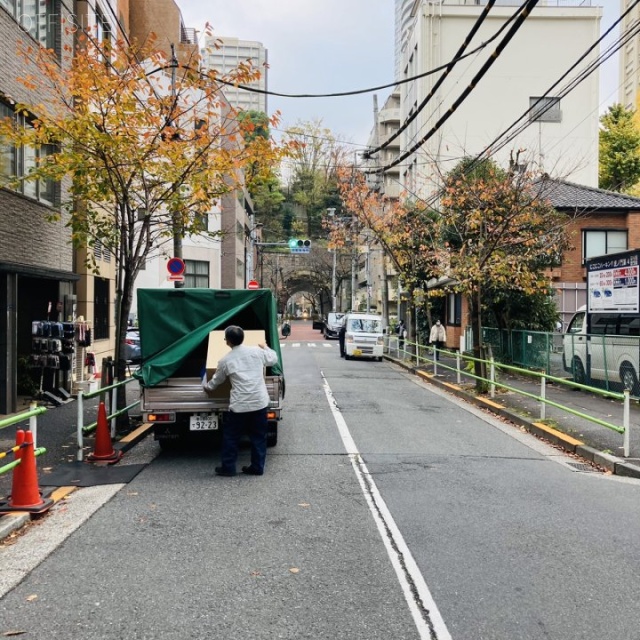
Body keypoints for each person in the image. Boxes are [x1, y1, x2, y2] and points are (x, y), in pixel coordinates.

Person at [202, 325, 278, 477]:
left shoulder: (225, 360)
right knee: (258, 437)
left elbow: (217, 380)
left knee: (231, 437)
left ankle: (228, 468)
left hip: (240, 405)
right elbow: (273, 359)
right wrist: (266, 347)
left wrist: (208, 387)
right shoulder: (257, 352)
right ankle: (257, 467)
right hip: (259, 402)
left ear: (228, 342)